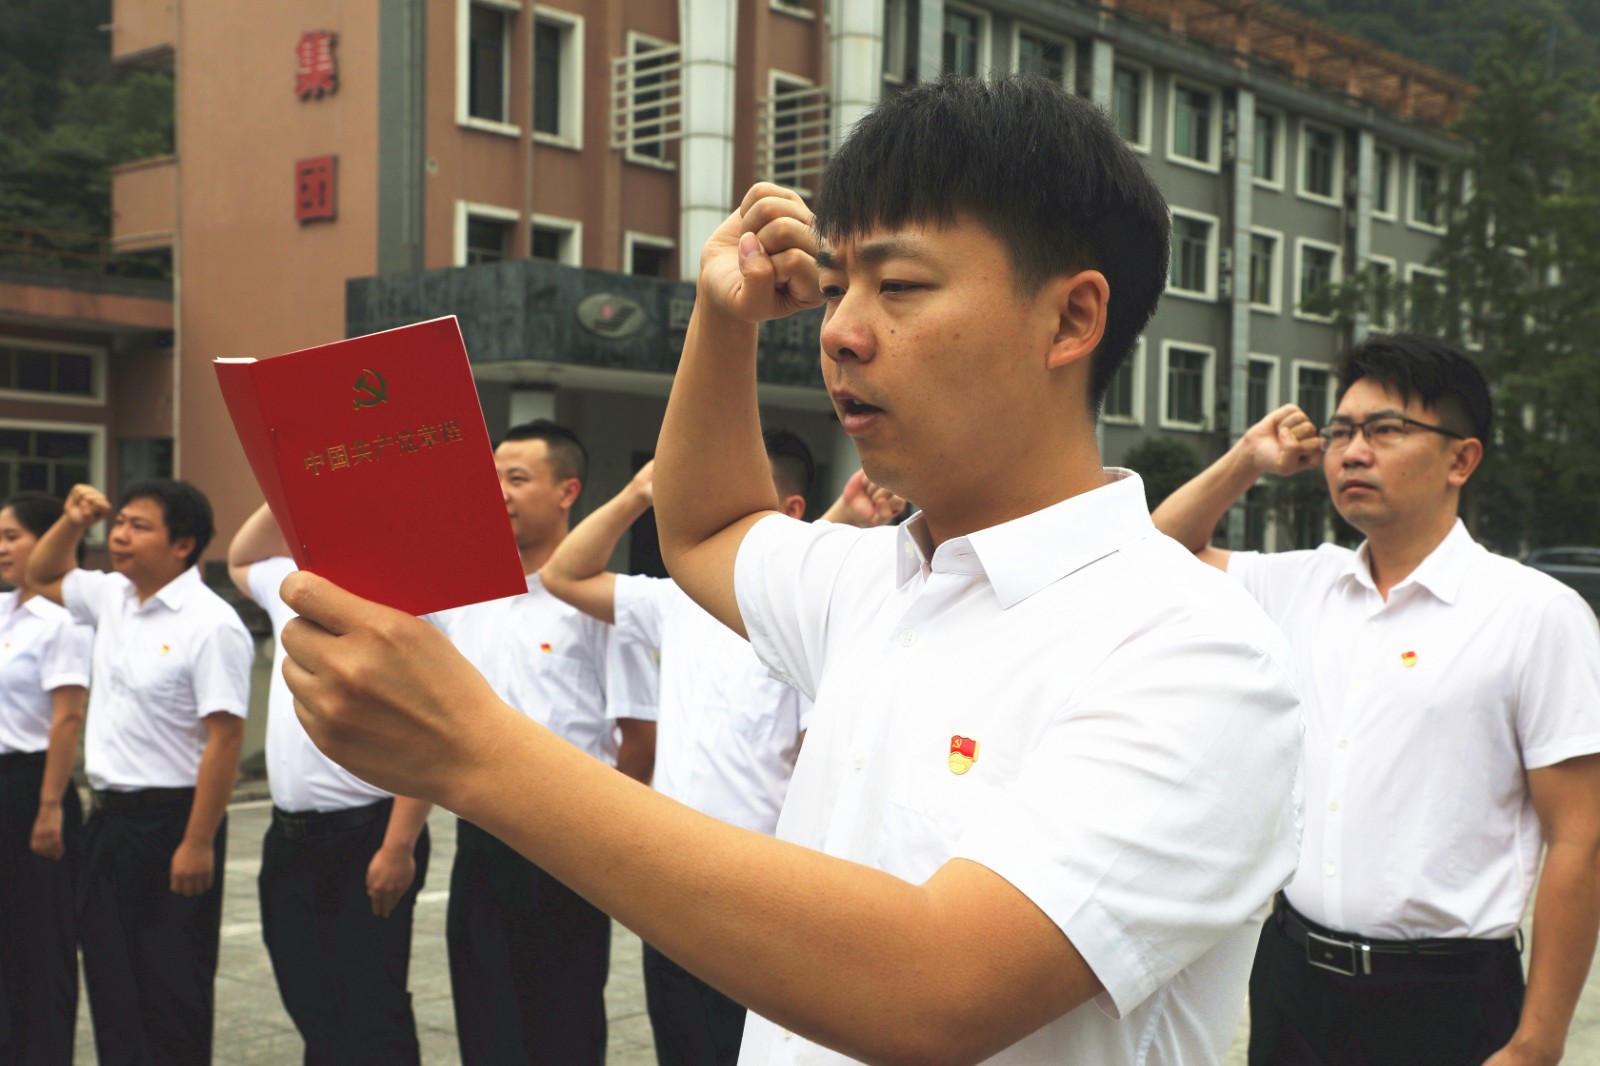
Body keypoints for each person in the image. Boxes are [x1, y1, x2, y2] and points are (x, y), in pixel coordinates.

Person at [278, 75, 1302, 1064]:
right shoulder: (875, 581)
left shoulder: (1196, 653)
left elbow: (935, 989)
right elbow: (706, 529)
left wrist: (477, 752)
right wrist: (723, 318)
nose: (841, 331)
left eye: (899, 286)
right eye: (838, 283)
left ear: (1071, 319)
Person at [1149, 333, 1600, 1066]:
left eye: (1386, 429)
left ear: (1461, 459)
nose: (1353, 452)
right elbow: (1156, 557)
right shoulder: (1306, 584)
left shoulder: (1535, 614)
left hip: (1445, 999)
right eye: (1341, 432)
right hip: (1294, 978)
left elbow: (1580, 837)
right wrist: (1247, 460)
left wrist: (1539, 1042)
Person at [541, 436, 903, 1065]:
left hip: (759, 891)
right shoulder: (676, 600)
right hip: (671, 878)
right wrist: (637, 493)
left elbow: (822, 757)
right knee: (679, 1042)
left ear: (790, 512)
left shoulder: (807, 627)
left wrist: (842, 520)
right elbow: (563, 576)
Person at [428, 418, 657, 1065]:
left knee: (563, 1024)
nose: (498, 491)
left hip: (568, 845)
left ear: (567, 491)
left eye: (516, 477)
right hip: (480, 840)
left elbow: (639, 740)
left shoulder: (597, 606)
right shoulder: (466, 600)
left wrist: (601, 840)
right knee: (484, 1017)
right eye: (492, 476)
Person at [28, 478, 253, 1066]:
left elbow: (226, 740)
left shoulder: (211, 623)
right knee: (113, 984)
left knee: (170, 988)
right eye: (119, 522)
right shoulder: (112, 596)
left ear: (183, 545)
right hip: (108, 822)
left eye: (138, 526)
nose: (120, 535)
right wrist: (75, 520)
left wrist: (197, 843)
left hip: (171, 824)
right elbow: (41, 571)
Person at [227, 502, 433, 1065]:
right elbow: (241, 558)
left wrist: (398, 846)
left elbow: (427, 739)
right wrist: (285, 485)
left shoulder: (399, 607)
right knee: (309, 997)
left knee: (372, 1005)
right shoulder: (295, 590)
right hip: (289, 837)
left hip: (366, 838)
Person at [0, 492, 91, 1065]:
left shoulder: (63, 621)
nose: (2, 548)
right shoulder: (3, 610)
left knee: (40, 940)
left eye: (12, 536)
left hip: (35, 786)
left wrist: (50, 806)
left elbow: (68, 718)